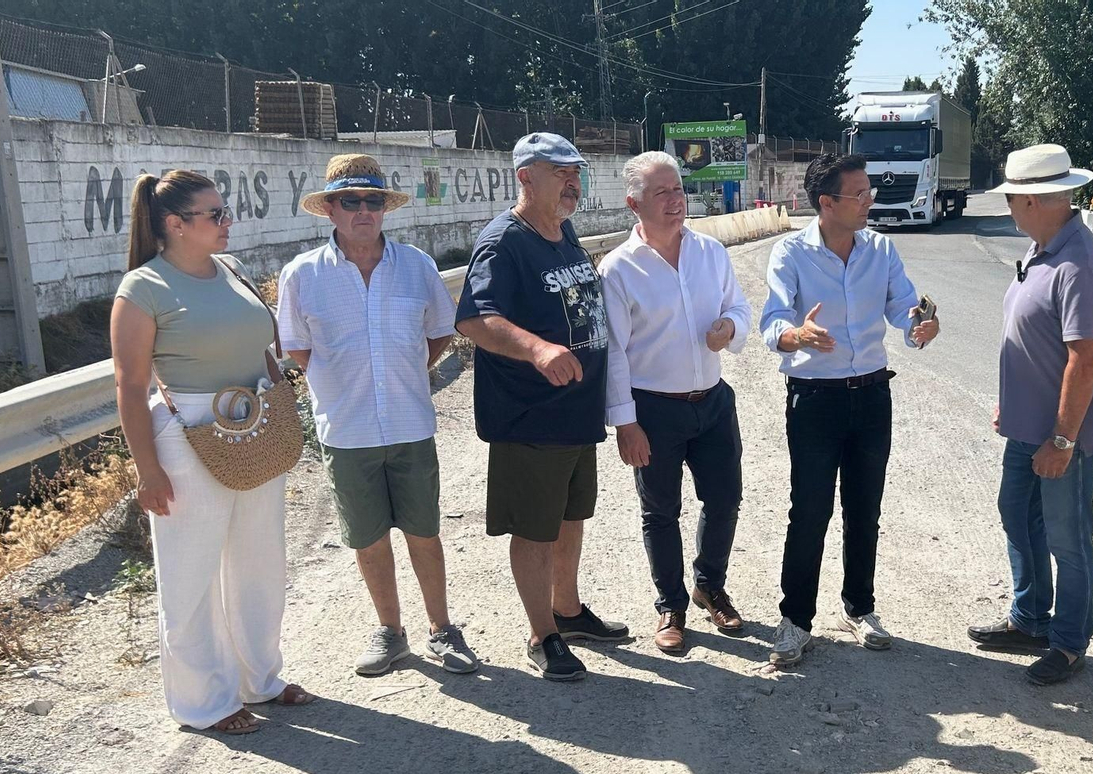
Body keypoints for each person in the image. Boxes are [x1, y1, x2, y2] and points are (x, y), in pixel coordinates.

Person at [110, 170, 313, 735]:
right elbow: (130, 387)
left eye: (225, 212)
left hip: (252, 422)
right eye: (215, 215)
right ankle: (204, 702)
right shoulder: (143, 289)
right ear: (175, 225)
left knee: (260, 559)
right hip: (186, 431)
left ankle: (260, 680)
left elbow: (265, 346)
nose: (228, 222)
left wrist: (279, 407)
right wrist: (147, 470)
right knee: (190, 572)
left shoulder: (233, 271)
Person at [278, 154, 477, 677]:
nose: (363, 211)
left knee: (423, 532)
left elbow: (439, 332)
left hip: (410, 422)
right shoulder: (301, 275)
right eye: (351, 201)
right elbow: (297, 348)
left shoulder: (416, 265)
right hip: (346, 429)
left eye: (373, 201)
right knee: (367, 538)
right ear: (330, 210)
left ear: (384, 208)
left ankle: (442, 629)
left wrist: (409, 368)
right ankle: (391, 631)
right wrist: (344, 382)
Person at [455, 133, 629, 682]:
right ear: (526, 177)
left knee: (571, 518)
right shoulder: (503, 242)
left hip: (576, 415)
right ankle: (541, 635)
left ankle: (568, 612)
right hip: (530, 416)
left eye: (575, 171)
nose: (573, 181)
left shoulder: (562, 231)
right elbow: (475, 319)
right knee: (534, 529)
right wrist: (537, 348)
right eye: (561, 172)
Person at [758, 153, 940, 666]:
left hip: (872, 395)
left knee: (865, 509)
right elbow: (771, 322)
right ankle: (795, 620)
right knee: (810, 511)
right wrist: (798, 335)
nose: (869, 202)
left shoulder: (880, 249)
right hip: (815, 398)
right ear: (827, 203)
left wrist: (919, 326)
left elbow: (904, 305)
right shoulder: (790, 253)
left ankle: (859, 607)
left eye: (869, 193)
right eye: (859, 195)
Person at [966, 144, 1093, 686]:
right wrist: (1015, 402)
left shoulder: (1077, 262)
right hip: (1030, 425)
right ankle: (1030, 618)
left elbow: (1086, 357)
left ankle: (1069, 641)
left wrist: (1061, 440)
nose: (1009, 207)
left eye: (1012, 198)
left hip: (1064, 434)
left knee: (1067, 535)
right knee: (1017, 512)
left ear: (1033, 199)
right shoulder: (1045, 249)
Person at [600, 151, 751, 654]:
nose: (675, 200)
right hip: (654, 411)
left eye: (678, 190)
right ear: (633, 203)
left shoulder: (710, 252)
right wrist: (625, 422)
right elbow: (615, 354)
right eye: (662, 192)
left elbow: (738, 306)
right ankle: (671, 605)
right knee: (660, 512)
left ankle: (710, 584)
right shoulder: (618, 270)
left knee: (725, 499)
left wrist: (730, 327)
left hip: (712, 401)